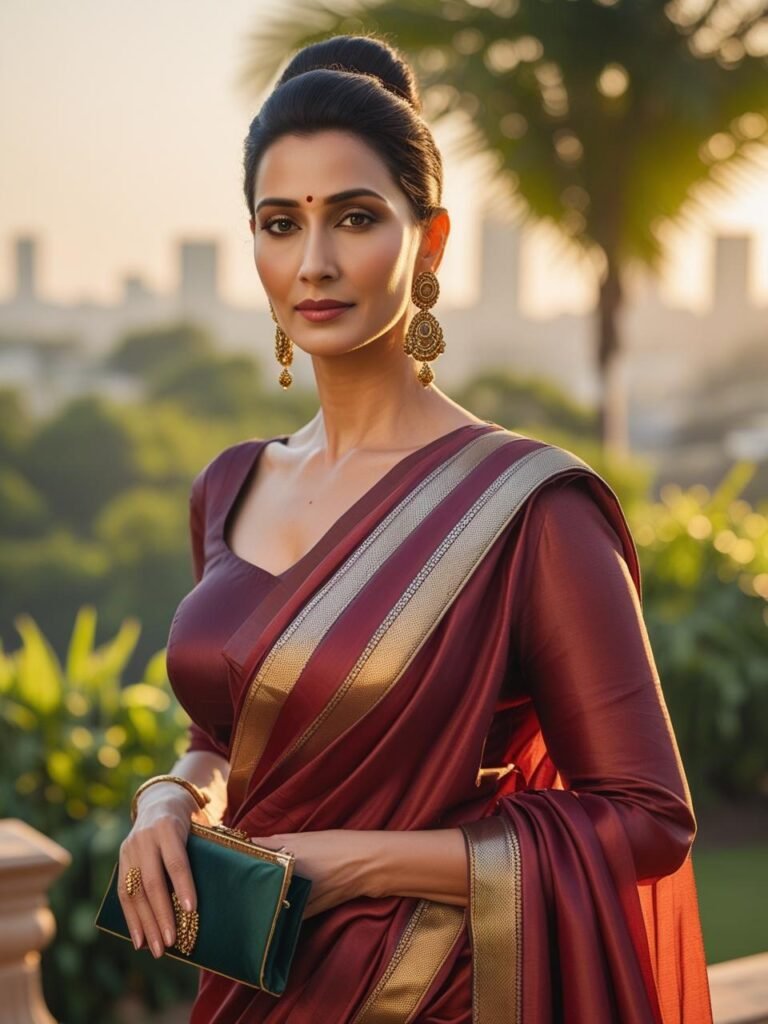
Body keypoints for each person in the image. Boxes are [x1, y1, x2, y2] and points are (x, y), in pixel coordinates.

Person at [116, 33, 714, 1023]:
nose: (314, 262)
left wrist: (355, 863)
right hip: (255, 978)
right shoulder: (229, 486)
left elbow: (649, 822)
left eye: (355, 218)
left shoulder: (531, 508)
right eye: (280, 223)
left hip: (436, 990)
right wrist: (170, 797)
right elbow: (224, 734)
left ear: (428, 241)